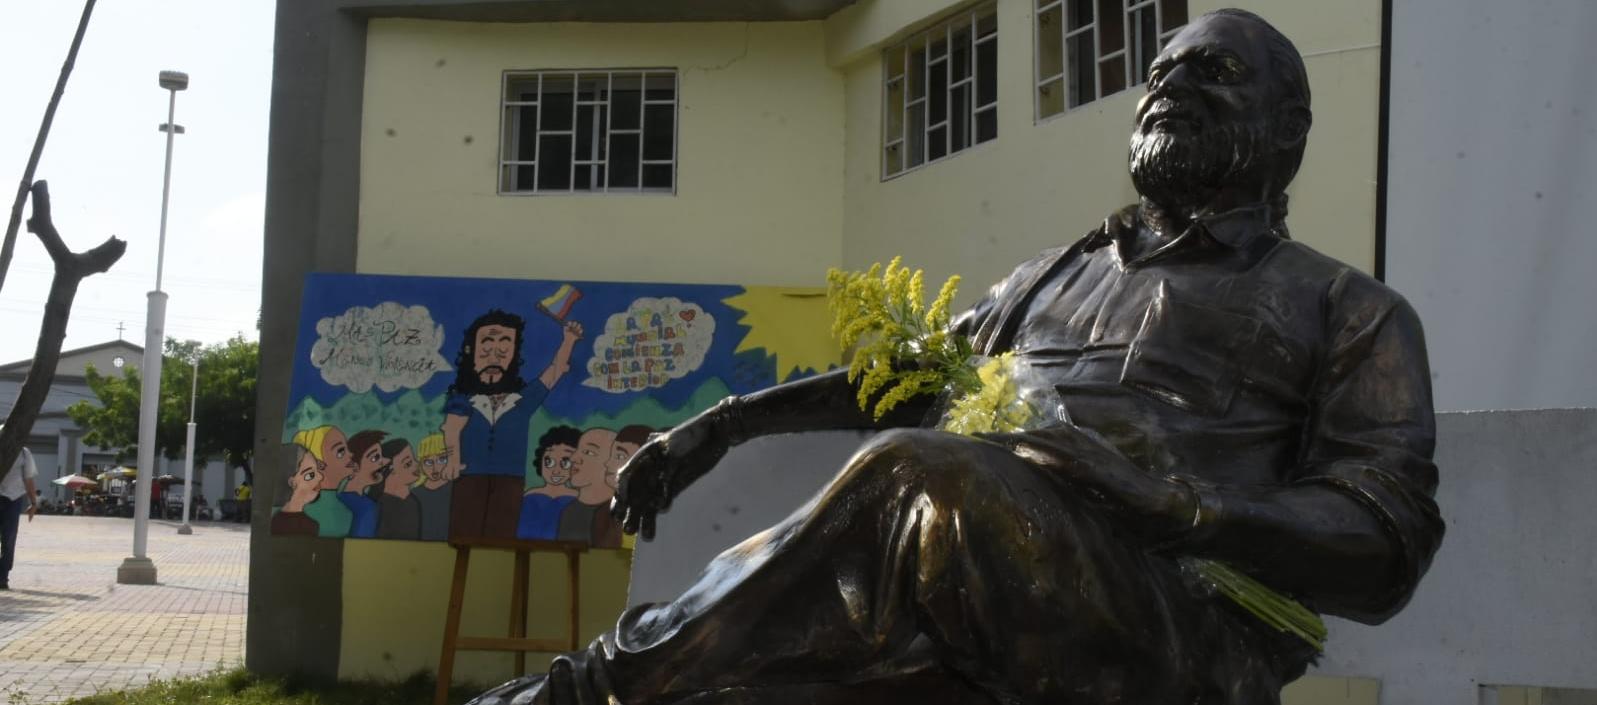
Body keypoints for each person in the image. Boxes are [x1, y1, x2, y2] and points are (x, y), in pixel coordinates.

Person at [473, 10, 1444, 705]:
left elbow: (1385, 545)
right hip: (977, 588)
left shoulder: (1345, 307)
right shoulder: (1050, 274)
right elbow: (901, 381)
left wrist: (1180, 506)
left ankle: (584, 689)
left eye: (1213, 72)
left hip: (1176, 628)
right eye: (1160, 73)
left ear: (1288, 129)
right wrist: (718, 424)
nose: (1170, 86)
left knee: (918, 470)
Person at [441, 310, 582, 540]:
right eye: (487, 347)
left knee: (502, 535)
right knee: (464, 533)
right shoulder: (463, 397)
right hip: (470, 477)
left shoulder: (521, 401)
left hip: (510, 479)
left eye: (504, 348)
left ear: (513, 355)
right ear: (472, 352)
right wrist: (452, 459)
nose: (494, 356)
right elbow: (452, 428)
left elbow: (554, 372)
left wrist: (568, 340)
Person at [516, 426, 580, 541]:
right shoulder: (529, 497)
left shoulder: (578, 499)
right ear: (540, 461)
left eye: (565, 463)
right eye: (549, 462)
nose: (556, 471)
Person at [554, 428, 616, 545]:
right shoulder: (569, 512)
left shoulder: (618, 514)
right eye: (578, 449)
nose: (573, 458)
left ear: (611, 463)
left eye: (588, 452)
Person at [294, 425, 358, 537]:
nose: (351, 454)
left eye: (347, 448)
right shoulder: (306, 509)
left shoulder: (345, 504)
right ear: (319, 464)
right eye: (341, 451)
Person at [0, 447, 39, 590]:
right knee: (8, 540)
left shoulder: (23, 452)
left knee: (9, 539)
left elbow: (28, 478)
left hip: (13, 498)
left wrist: (33, 502)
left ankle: (2, 576)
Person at [340, 430, 388, 539]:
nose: (382, 462)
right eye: (375, 458)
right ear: (354, 466)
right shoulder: (367, 507)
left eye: (380, 456)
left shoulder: (342, 497)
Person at [374, 438, 422, 540]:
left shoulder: (413, 502)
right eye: (408, 463)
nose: (416, 465)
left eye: (414, 459)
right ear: (390, 471)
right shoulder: (378, 506)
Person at [271, 445, 324, 536]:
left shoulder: (312, 525)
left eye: (318, 471)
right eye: (310, 475)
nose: (320, 477)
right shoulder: (310, 526)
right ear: (292, 483)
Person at [412, 433, 454, 541]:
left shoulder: (456, 490)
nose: (435, 468)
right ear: (420, 464)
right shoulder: (415, 494)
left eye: (442, 460)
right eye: (428, 462)